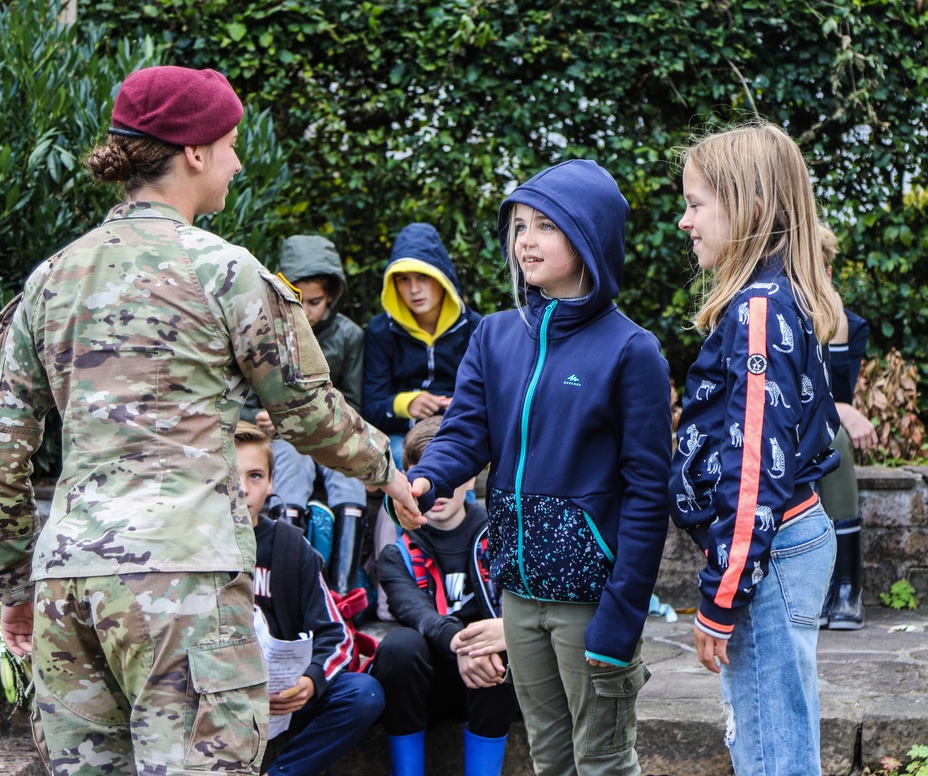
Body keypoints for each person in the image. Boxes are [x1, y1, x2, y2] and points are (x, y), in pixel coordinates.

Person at [0, 65, 421, 776]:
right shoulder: (227, 273)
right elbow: (306, 414)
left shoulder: (50, 278)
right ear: (195, 152)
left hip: (70, 584)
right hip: (185, 580)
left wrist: (16, 588)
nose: (239, 162)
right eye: (232, 144)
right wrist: (388, 470)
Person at [391, 160, 674, 775]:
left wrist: (624, 614)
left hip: (592, 602)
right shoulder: (494, 336)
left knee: (601, 762)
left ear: (590, 234)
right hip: (515, 594)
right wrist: (427, 478)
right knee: (548, 757)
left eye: (546, 225)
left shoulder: (633, 350)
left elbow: (651, 494)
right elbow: (465, 433)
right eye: (519, 225)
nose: (526, 239)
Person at [668, 122, 842, 775]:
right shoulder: (772, 299)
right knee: (778, 735)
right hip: (781, 547)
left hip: (766, 559)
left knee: (771, 749)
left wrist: (721, 597)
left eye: (695, 203)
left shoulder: (758, 312)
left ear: (751, 208)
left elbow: (753, 471)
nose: (685, 221)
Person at [369, 417, 518, 776]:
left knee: (501, 642)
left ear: (470, 476)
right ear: (404, 480)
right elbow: (416, 613)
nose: (435, 492)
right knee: (399, 646)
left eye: (448, 478)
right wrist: (461, 644)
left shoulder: (502, 538)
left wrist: (482, 645)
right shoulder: (397, 553)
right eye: (422, 479)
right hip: (424, 686)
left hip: (489, 684)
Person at [235, 421, 384, 776]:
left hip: (282, 697)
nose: (241, 488)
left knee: (364, 693)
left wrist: (311, 681)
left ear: (272, 483)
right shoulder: (190, 548)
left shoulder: (291, 545)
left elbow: (337, 635)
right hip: (217, 695)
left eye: (255, 476)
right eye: (231, 473)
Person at [363, 222, 482, 620]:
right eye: (403, 280)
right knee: (395, 467)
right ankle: (394, 586)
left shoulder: (475, 327)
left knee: (465, 464)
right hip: (401, 436)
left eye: (423, 278)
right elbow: (371, 402)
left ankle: (477, 577)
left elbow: (488, 394)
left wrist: (457, 406)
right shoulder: (381, 331)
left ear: (442, 279)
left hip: (457, 430)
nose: (414, 289)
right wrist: (408, 403)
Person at [242, 234, 369, 594]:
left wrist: (325, 421)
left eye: (315, 302)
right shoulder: (263, 333)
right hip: (281, 440)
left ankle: (345, 592)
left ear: (331, 298)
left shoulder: (348, 335)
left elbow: (356, 401)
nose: (307, 310)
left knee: (348, 475)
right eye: (298, 299)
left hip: (332, 435)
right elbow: (242, 396)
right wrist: (260, 418)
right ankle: (288, 587)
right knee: (291, 473)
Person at [818, 225, 877, 630]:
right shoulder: (774, 312)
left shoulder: (851, 327)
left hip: (819, 432)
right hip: (777, 428)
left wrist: (834, 329)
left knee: (835, 439)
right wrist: (840, 408)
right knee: (835, 433)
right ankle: (827, 585)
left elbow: (837, 395)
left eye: (821, 267)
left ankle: (845, 588)